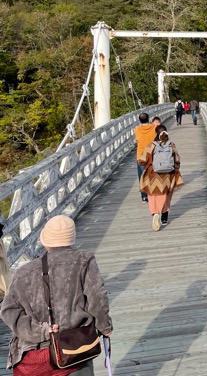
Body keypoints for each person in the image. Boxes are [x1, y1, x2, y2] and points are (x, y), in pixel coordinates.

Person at [1, 215, 112, 375]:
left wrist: (42, 331)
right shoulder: (84, 261)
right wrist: (105, 327)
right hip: (74, 350)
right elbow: (98, 299)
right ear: (71, 239)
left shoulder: (23, 273)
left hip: (35, 355)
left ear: (45, 241)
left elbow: (8, 311)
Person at [139, 126, 184, 231]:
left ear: (156, 133)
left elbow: (141, 160)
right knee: (166, 196)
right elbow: (177, 160)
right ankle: (164, 218)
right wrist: (175, 169)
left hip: (152, 175)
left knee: (152, 195)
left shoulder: (151, 146)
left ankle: (155, 213)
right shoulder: (171, 145)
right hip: (168, 175)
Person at [134, 112, 157, 203]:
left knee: (142, 176)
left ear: (140, 120)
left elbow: (137, 140)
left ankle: (144, 196)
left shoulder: (137, 130)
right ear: (148, 119)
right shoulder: (154, 128)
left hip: (141, 155)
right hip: (152, 153)